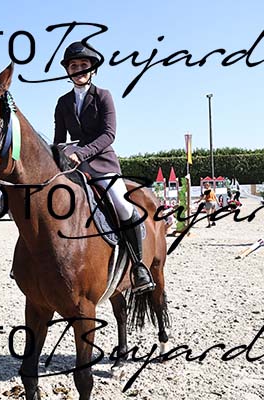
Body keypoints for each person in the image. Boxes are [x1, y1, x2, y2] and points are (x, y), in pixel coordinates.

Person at [53, 41, 155, 295]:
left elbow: (109, 134)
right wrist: (57, 156)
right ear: (68, 71)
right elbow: (58, 139)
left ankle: (138, 266)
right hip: (73, 168)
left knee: (122, 205)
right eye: (73, 66)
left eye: (83, 65)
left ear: (93, 70)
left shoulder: (103, 96)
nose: (78, 70)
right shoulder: (62, 102)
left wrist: (81, 152)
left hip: (102, 164)